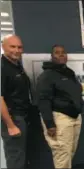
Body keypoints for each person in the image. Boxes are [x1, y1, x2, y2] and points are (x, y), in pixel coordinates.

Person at [36, 45, 83, 168]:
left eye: (63, 52)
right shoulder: (47, 76)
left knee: (69, 153)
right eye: (57, 53)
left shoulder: (68, 73)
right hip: (59, 119)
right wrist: (49, 124)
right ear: (52, 57)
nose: (61, 54)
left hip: (74, 117)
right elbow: (43, 100)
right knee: (62, 155)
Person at [1, 34, 30, 169]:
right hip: (13, 118)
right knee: (15, 157)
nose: (17, 50)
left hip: (22, 116)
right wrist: (11, 125)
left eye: (19, 47)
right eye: (12, 46)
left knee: (21, 155)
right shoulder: (2, 67)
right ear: (3, 47)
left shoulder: (16, 65)